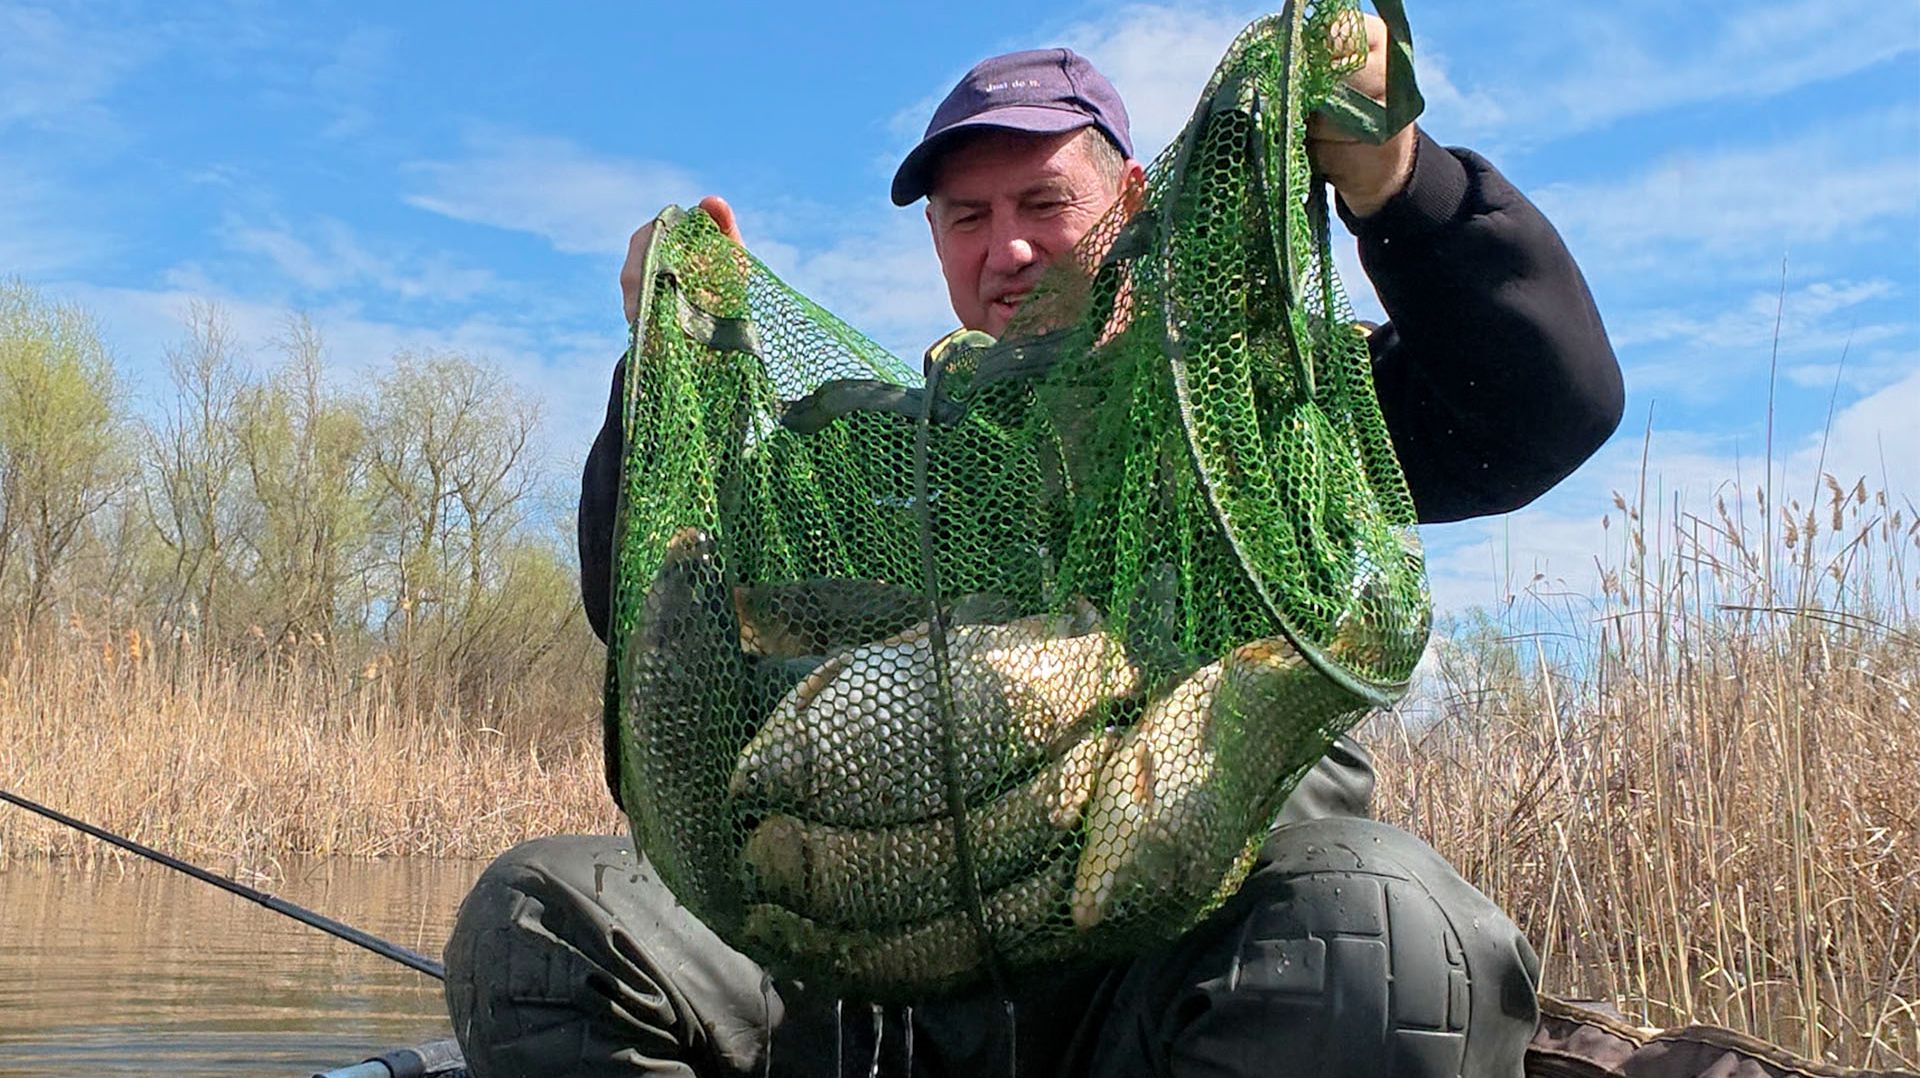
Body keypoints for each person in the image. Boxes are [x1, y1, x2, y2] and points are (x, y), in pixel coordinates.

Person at [444, 16, 1624, 1077]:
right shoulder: (865, 462)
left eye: (1043, 203)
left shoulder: (1264, 416)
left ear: (1128, 198)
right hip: (874, 1004)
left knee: (1384, 928)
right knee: (543, 919)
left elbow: (1543, 406)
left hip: (1176, 987)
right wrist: (664, 362)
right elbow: (646, 609)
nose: (1004, 247)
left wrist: (1397, 180)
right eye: (969, 216)